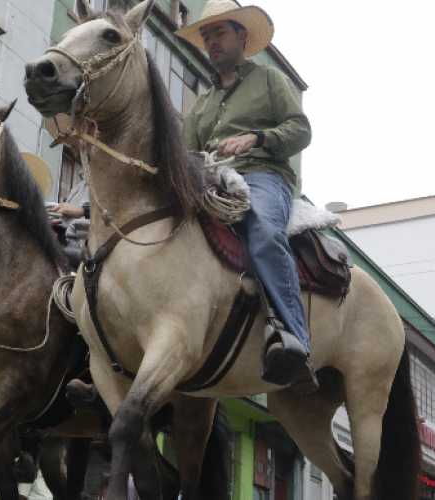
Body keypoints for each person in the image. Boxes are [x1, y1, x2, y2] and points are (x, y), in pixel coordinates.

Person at [177, 0, 314, 387]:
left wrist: (256, 138)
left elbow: (301, 130)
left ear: (242, 36)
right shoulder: (202, 103)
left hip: (262, 175)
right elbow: (186, 154)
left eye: (219, 33)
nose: (212, 42)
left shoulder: (270, 81)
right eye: (206, 36)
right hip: (210, 180)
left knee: (264, 232)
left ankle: (296, 342)